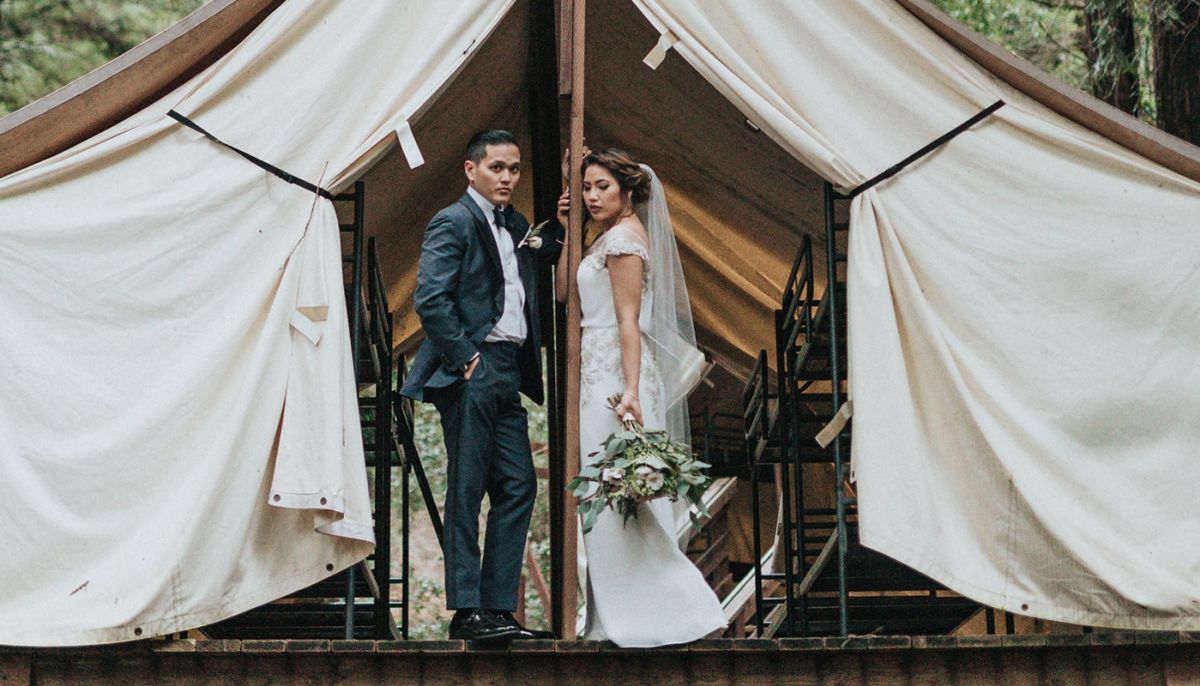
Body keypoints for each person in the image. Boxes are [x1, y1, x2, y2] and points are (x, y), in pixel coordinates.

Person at [555, 148, 727, 647]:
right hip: (597, 373)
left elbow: (629, 321)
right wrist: (568, 230)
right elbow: (565, 294)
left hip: (616, 377)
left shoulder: (625, 240)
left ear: (627, 190)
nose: (591, 196)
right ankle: (615, 614)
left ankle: (671, 610)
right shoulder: (603, 237)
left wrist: (630, 391)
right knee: (602, 494)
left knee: (621, 493)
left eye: (602, 186)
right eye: (587, 187)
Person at [401, 130, 561, 641]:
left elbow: (542, 261)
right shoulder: (453, 221)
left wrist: (560, 223)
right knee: (468, 487)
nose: (507, 177)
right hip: (471, 368)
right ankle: (466, 611)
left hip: (509, 369)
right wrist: (466, 356)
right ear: (471, 170)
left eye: (513, 169)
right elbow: (430, 298)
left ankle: (496, 609)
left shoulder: (517, 224)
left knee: (518, 485)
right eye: (496, 167)